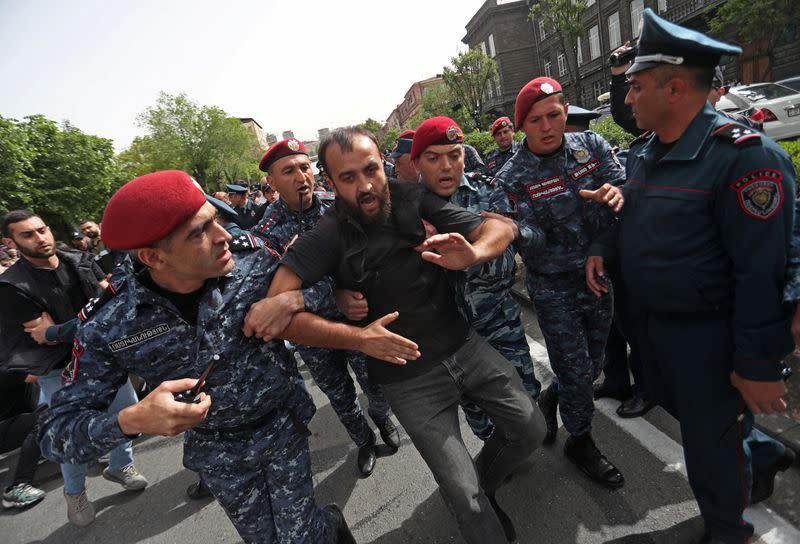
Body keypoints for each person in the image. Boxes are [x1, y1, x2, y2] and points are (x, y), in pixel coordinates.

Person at [245, 126, 545, 544]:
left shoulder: (411, 197)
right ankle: (475, 497)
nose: (366, 186)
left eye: (371, 170)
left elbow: (497, 228)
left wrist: (474, 252)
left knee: (531, 428)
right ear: (331, 183)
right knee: (467, 501)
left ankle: (485, 479)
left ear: (383, 164)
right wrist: (358, 338)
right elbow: (277, 315)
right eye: (348, 178)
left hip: (465, 346)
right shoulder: (327, 233)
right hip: (409, 380)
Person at [37, 170, 359, 543]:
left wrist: (294, 299)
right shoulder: (110, 324)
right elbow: (54, 434)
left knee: (299, 538)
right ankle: (328, 525)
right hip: (219, 453)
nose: (223, 236)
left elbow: (336, 288)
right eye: (198, 232)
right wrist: (128, 420)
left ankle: (327, 527)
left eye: (215, 221)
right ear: (152, 257)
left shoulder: (252, 261)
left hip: (281, 426)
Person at [590, 9, 796, 542]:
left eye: (635, 87)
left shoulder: (745, 161)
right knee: (690, 413)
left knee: (708, 445)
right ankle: (761, 449)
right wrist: (602, 250)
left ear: (675, 87)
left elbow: (761, 271)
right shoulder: (645, 153)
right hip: (656, 329)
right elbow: (637, 220)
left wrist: (757, 363)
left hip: (711, 334)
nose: (627, 99)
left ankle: (728, 529)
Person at [496, 77, 626, 489]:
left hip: (599, 274)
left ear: (566, 112)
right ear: (522, 126)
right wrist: (516, 232)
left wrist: (615, 194)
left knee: (594, 363)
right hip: (553, 287)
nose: (547, 126)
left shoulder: (593, 147)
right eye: (535, 120)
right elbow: (526, 234)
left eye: (554, 115)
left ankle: (555, 397)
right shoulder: (512, 177)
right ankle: (580, 441)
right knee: (574, 368)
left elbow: (624, 184)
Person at [252, 138, 400, 477]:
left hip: (359, 323)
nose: (300, 177)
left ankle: (381, 418)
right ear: (271, 183)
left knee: (376, 385)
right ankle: (363, 441)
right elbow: (273, 301)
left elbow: (371, 258)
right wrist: (332, 295)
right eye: (287, 171)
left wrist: (337, 292)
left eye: (304, 167)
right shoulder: (264, 235)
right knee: (340, 395)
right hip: (312, 335)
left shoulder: (341, 206)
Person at [0, 210, 147, 527]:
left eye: (42, 230)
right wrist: (95, 313)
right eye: (28, 235)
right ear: (11, 241)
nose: (40, 238)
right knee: (72, 434)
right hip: (60, 370)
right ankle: (75, 493)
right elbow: (49, 338)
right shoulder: (12, 285)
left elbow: (109, 300)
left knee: (129, 412)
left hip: (104, 356)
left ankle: (120, 466)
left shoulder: (76, 260)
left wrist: (73, 324)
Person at [410, 116, 540, 442]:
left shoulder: (489, 191)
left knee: (526, 398)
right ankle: (497, 459)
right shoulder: (405, 210)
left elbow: (519, 251)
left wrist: (480, 250)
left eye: (454, 155)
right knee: (479, 415)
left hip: (499, 319)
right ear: (416, 163)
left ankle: (519, 445)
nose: (446, 166)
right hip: (452, 337)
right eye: (434, 158)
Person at [1, 369, 45, 510]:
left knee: (51, 407)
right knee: (45, 420)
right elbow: (36, 374)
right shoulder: (6, 365)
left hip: (14, 418)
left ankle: (44, 448)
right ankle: (19, 486)